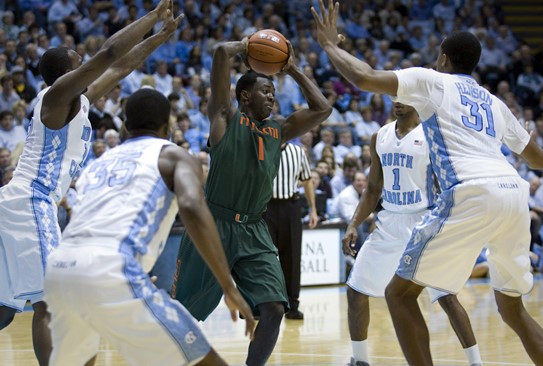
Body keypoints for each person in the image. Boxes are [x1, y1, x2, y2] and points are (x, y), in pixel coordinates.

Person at [312, 2, 543, 365]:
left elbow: (364, 78)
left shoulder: (432, 81)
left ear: (442, 59)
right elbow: (537, 159)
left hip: (472, 190)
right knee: (513, 309)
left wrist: (330, 45)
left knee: (399, 294)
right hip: (514, 192)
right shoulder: (494, 102)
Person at [0, 1, 181, 364]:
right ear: (66, 72)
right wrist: (152, 16)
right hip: (31, 200)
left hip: (23, 202)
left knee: (4, 308)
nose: (85, 62)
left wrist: (159, 38)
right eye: (77, 59)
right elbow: (109, 52)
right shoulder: (55, 97)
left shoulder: (77, 101)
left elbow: (121, 64)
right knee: (50, 299)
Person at [44, 88, 255, 366]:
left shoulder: (98, 164)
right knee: (205, 362)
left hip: (59, 271)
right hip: (111, 267)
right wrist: (228, 286)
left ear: (126, 126)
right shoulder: (173, 155)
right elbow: (191, 206)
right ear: (167, 126)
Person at [171, 38, 331, 366]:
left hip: (255, 228)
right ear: (244, 96)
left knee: (274, 308)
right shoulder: (224, 119)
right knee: (182, 313)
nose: (271, 97)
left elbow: (322, 109)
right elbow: (218, 53)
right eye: (264, 91)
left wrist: (294, 69)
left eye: (273, 92)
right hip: (213, 224)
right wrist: (245, 44)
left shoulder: (278, 130)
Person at [342, 103, 482, 366]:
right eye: (393, 95)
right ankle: (359, 361)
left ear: (417, 99)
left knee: (447, 298)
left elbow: (449, 186)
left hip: (423, 223)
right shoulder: (379, 136)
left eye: (403, 96)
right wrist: (353, 224)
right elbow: (372, 188)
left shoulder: (432, 136)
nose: (396, 101)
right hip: (389, 223)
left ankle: (476, 363)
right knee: (355, 291)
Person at [264, 142, 319, 320]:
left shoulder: (298, 152)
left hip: (291, 206)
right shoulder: (262, 147)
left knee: (292, 257)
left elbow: (307, 179)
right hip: (266, 206)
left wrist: (313, 209)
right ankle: (262, 303)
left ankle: (292, 305)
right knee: (264, 257)